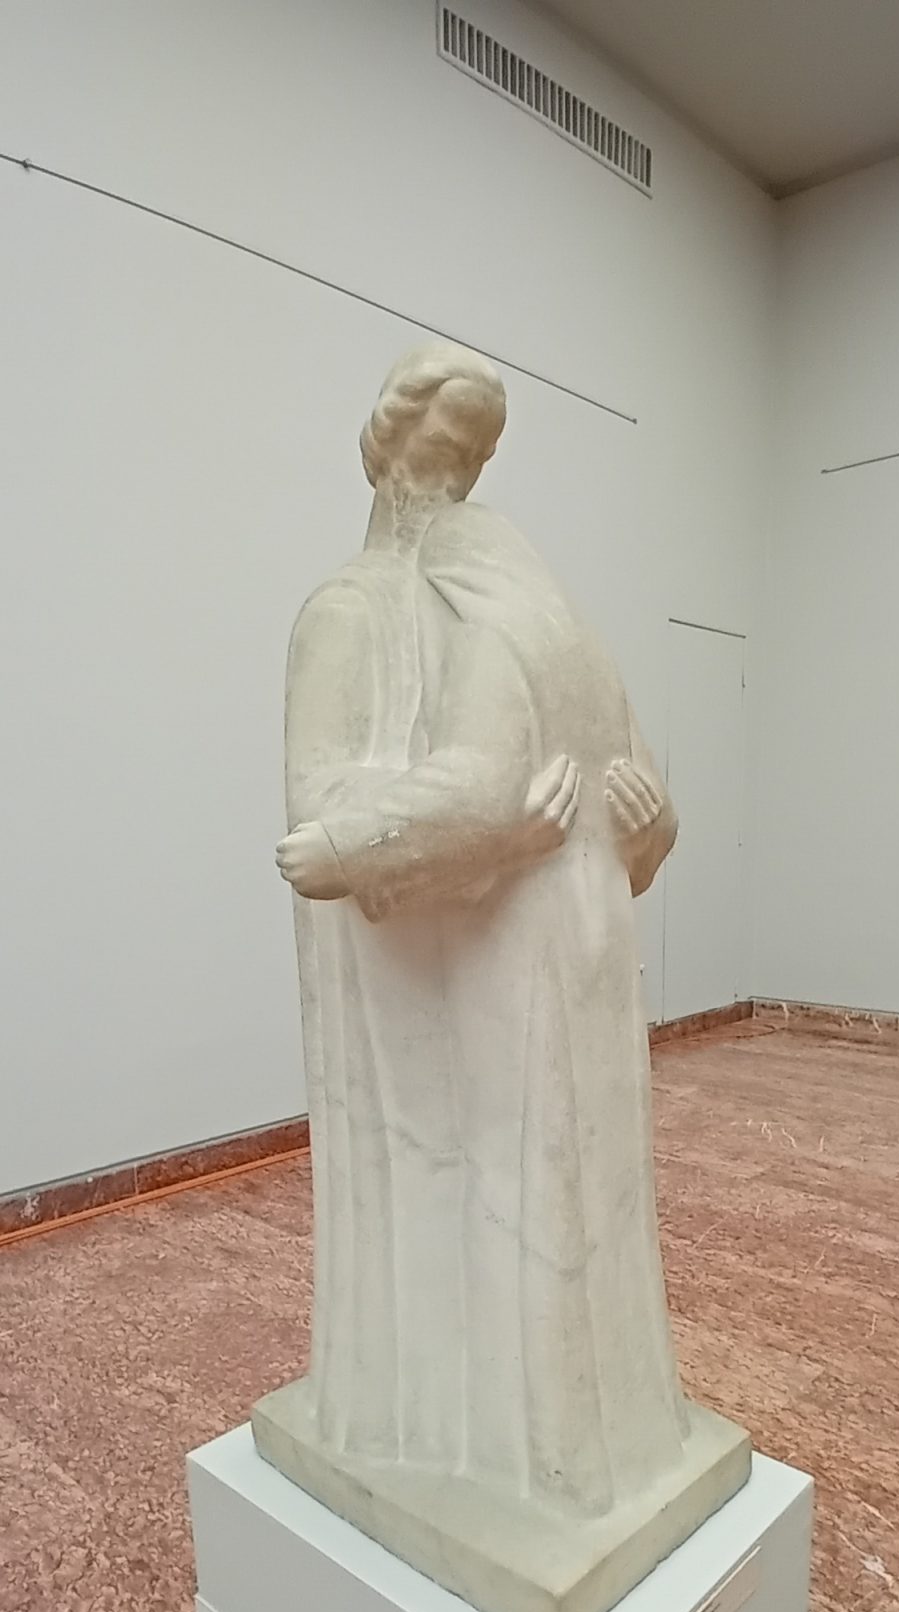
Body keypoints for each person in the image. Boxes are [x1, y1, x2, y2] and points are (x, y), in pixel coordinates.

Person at [275, 342, 686, 1520]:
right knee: (440, 1212)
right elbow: (317, 817)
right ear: (383, 455)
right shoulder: (346, 612)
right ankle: (436, 1432)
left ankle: (544, 1443)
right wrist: (469, 832)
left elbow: (609, 795)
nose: (447, 484)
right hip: (400, 977)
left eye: (468, 461)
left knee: (544, 1198)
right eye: (434, 454)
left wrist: (642, 827)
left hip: (530, 958)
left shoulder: (516, 615)